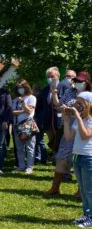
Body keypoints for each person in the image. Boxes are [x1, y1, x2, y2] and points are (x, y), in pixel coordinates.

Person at [45, 71, 91, 195]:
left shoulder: (89, 96)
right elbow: (58, 105)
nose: (77, 83)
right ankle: (55, 187)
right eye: (76, 81)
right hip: (68, 127)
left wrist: (75, 111)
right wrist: (64, 109)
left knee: (81, 160)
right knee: (61, 158)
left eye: (80, 81)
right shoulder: (70, 91)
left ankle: (81, 190)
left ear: (87, 83)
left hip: (85, 129)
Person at [62, 92, 92, 227]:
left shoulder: (90, 120)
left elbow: (85, 135)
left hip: (88, 157)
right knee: (83, 188)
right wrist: (66, 120)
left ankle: (91, 216)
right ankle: (86, 214)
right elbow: (68, 137)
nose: (77, 105)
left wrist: (78, 117)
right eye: (77, 102)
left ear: (88, 104)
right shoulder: (78, 119)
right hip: (77, 155)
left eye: (81, 102)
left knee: (89, 189)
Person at [36, 67, 70, 160]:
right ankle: (56, 157)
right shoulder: (44, 90)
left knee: (61, 140)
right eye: (48, 77)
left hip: (62, 120)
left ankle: (61, 159)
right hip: (48, 121)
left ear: (58, 76)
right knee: (52, 141)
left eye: (52, 76)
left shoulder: (64, 87)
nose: (49, 78)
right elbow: (39, 107)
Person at [12, 79, 37, 174]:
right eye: (18, 88)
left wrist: (22, 103)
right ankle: (21, 166)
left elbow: (30, 111)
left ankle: (29, 167)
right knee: (19, 148)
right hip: (17, 125)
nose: (20, 89)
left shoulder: (32, 98)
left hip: (28, 124)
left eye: (21, 87)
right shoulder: (15, 99)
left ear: (26, 87)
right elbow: (12, 112)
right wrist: (23, 110)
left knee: (30, 147)